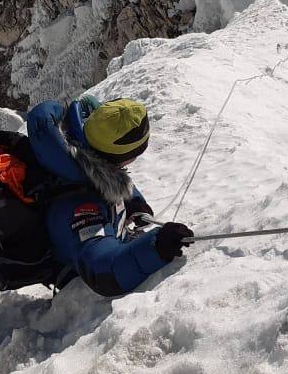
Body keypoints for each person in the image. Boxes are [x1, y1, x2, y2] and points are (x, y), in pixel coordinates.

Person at [26, 95, 194, 296]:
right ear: (120, 158)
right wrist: (157, 246)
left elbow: (107, 177)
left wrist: (133, 202)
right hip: (76, 277)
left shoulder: (76, 148)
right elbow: (105, 272)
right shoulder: (81, 207)